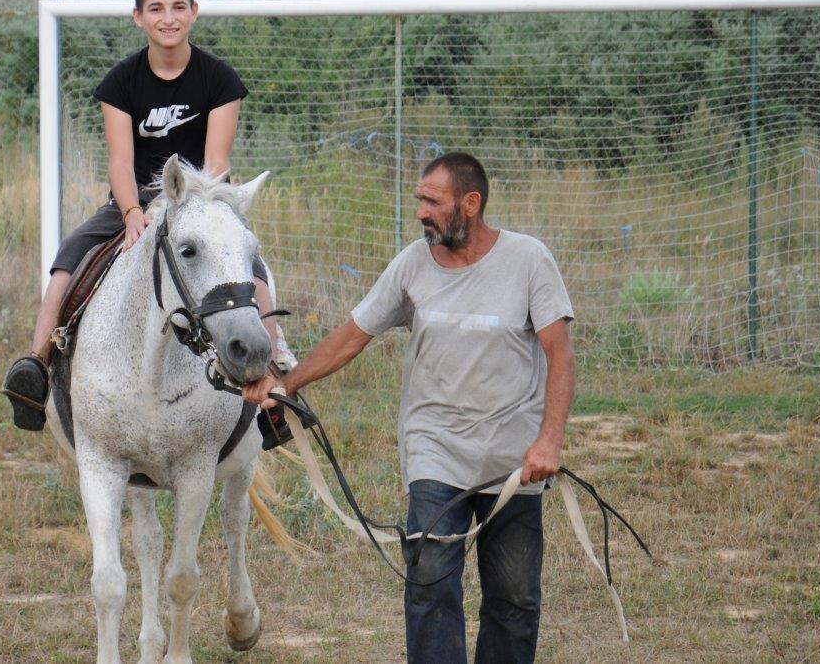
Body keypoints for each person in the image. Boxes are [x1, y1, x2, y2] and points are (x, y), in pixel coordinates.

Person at [242, 152, 575, 664]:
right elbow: (352, 337)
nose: (420, 211)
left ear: (471, 203)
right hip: (434, 452)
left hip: (514, 460)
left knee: (514, 600)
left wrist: (549, 440)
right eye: (418, 199)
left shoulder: (529, 260)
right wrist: (286, 383)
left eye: (431, 201)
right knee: (429, 588)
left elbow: (560, 355)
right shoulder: (412, 265)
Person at [4, 0, 284, 430]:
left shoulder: (220, 80)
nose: (168, 18)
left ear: (194, 11)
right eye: (156, 9)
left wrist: (190, 211)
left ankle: (271, 378)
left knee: (253, 272)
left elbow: (216, 165)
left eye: (178, 7)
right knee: (68, 260)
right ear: (139, 17)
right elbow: (118, 161)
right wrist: (133, 211)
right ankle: (38, 365)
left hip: (203, 202)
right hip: (134, 200)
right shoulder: (121, 82)